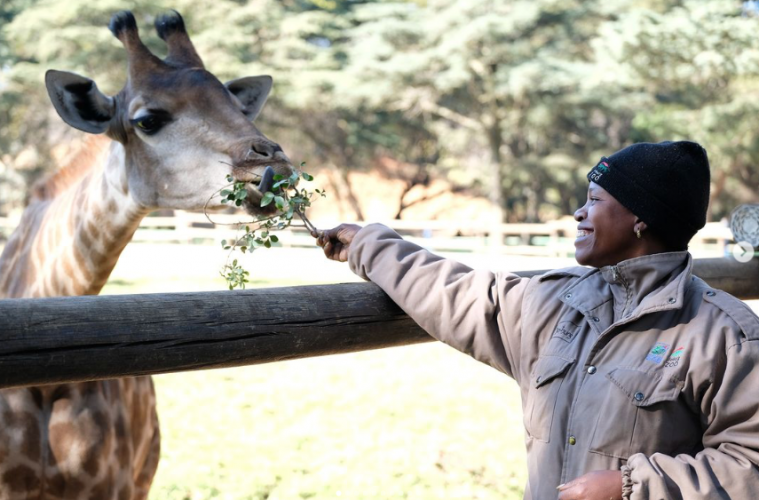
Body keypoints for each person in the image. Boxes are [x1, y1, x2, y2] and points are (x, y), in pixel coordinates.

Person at [315, 141, 759, 500]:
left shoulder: (725, 335)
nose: (579, 214)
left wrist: (631, 488)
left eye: (594, 200)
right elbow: (449, 291)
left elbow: (750, 465)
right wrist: (367, 244)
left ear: (642, 217)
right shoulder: (552, 303)